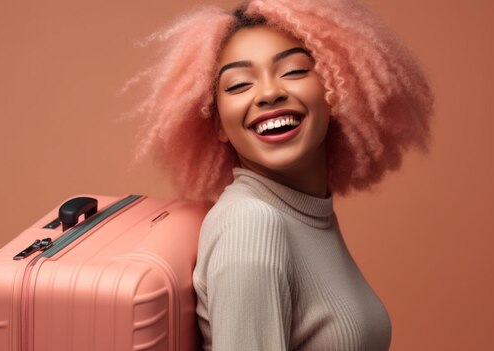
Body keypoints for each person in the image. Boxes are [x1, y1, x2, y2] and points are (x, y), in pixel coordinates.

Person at [126, 0, 433, 349]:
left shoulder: (306, 212)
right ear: (218, 124)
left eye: (294, 71)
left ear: (335, 87)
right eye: (239, 85)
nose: (270, 93)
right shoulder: (252, 224)